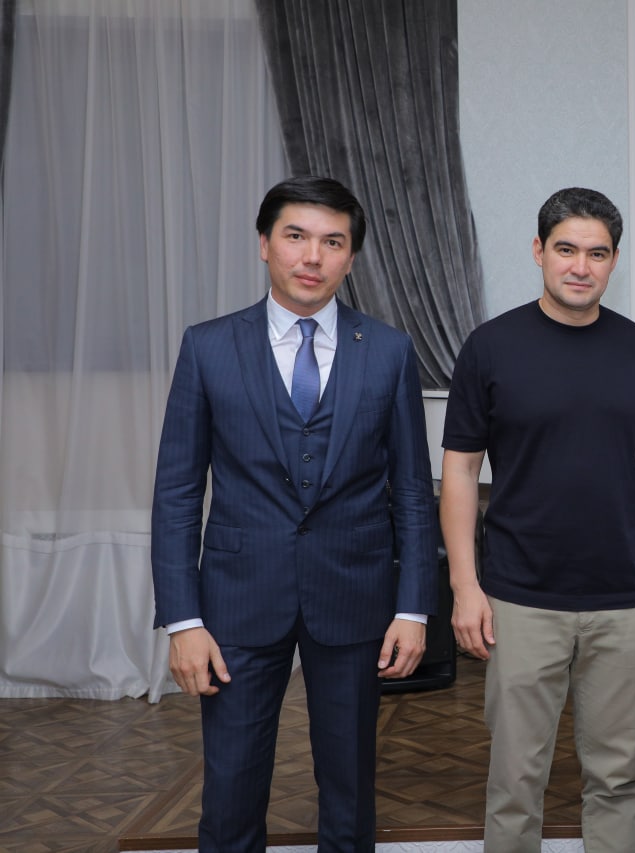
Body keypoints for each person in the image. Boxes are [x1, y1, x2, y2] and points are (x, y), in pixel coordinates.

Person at [151, 175, 436, 852]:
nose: (313, 256)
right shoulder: (208, 346)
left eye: (332, 242)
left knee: (350, 789)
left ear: (351, 257)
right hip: (237, 600)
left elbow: (411, 491)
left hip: (356, 597)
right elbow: (177, 492)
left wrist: (414, 607)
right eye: (296, 236)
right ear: (264, 244)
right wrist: (184, 620)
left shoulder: (389, 350)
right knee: (230, 791)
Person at [439, 187, 635, 853]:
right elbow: (460, 472)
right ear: (539, 250)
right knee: (515, 781)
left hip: (624, 598)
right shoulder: (490, 347)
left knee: (618, 777)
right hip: (519, 597)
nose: (580, 266)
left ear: (614, 260)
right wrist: (464, 585)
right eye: (566, 249)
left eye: (597, 253)